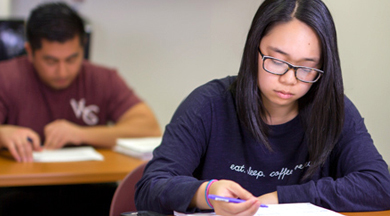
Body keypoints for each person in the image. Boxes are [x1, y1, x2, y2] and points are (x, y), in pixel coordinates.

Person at [135, 0, 390, 215]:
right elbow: (151, 187)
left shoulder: (336, 111)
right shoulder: (209, 105)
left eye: (307, 67)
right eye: (277, 61)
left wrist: (280, 198)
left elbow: (380, 185)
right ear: (253, 50)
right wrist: (207, 193)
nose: (289, 79)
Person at [0, 2, 160, 216]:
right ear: (30, 51)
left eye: (72, 58)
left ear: (82, 47)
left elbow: (149, 128)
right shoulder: (6, 78)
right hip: (19, 192)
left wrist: (80, 133)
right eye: (51, 60)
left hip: (89, 189)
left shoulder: (103, 78)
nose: (62, 71)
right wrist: (3, 134)